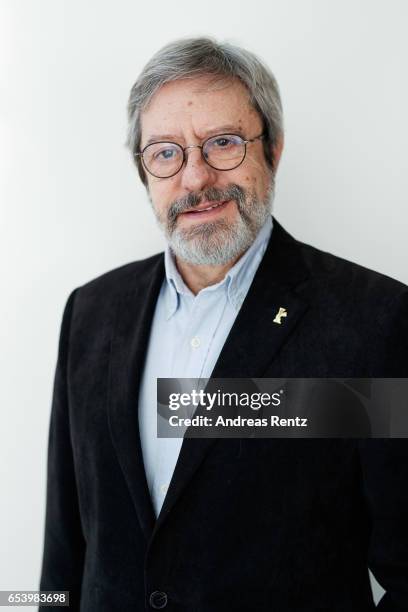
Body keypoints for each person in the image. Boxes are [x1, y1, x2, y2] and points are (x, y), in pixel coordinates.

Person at [39, 37, 408, 611]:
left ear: (274, 149)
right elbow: (64, 552)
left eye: (223, 144)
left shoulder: (372, 321)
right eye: (166, 152)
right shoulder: (90, 313)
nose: (195, 178)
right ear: (145, 171)